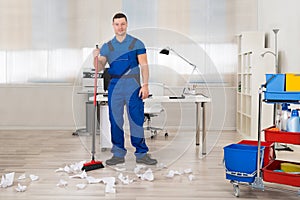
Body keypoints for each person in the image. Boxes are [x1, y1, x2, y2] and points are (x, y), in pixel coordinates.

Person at [93, 13, 157, 165]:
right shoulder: (107, 46)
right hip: (115, 86)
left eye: (122, 24)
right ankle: (118, 154)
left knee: (136, 119)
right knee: (115, 120)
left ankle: (141, 154)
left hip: (133, 85)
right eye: (117, 24)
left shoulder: (137, 44)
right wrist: (95, 57)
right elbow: (99, 67)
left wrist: (145, 85)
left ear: (127, 24)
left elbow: (144, 66)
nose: (120, 27)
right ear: (113, 25)